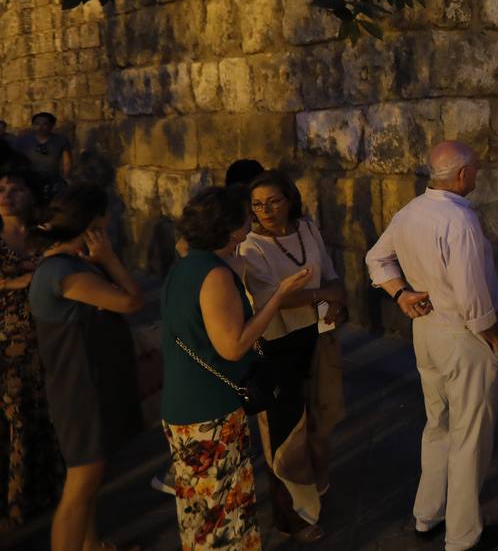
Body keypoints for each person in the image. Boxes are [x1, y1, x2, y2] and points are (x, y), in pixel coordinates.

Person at [364, 142, 498, 551]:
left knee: (438, 424)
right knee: (470, 435)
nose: (477, 175)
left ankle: (428, 514)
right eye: (475, 169)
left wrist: (400, 295)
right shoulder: (458, 222)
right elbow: (471, 290)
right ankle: (463, 535)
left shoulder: (410, 212)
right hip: (463, 336)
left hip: (426, 332)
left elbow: (377, 259)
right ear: (461, 175)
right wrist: (490, 330)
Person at [161, 186, 313, 551]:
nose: (253, 220)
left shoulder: (187, 265)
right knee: (223, 515)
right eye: (246, 217)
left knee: (200, 510)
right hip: (209, 411)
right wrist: (278, 296)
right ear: (231, 231)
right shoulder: (214, 276)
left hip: (185, 404)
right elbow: (232, 346)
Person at [27, 185, 145, 551]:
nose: (109, 220)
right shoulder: (64, 272)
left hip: (84, 385)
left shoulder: (70, 263)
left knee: (89, 482)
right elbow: (132, 302)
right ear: (91, 222)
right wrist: (109, 259)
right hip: (80, 391)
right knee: (80, 486)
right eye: (104, 215)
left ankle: (91, 545)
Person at [237, 171, 348, 540]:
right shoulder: (251, 247)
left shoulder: (307, 230)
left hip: (318, 336)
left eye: (273, 201)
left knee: (322, 419)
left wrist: (334, 298)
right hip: (278, 345)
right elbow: (273, 300)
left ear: (290, 201)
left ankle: (317, 491)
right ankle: (292, 518)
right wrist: (324, 295)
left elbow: (331, 276)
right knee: (285, 435)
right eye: (257, 204)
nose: (265, 210)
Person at [0, 169, 62, 530]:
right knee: (15, 420)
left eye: (16, 188)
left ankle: (47, 493)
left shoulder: (43, 238)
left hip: (47, 342)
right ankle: (15, 501)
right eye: (2, 189)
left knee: (44, 418)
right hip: (7, 348)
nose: (8, 195)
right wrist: (20, 280)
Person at [10, 113, 73, 201]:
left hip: (52, 178)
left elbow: (67, 161)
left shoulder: (60, 140)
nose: (40, 127)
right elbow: (15, 159)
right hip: (29, 178)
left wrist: (66, 176)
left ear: (52, 125)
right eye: (37, 123)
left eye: (45, 124)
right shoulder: (23, 140)